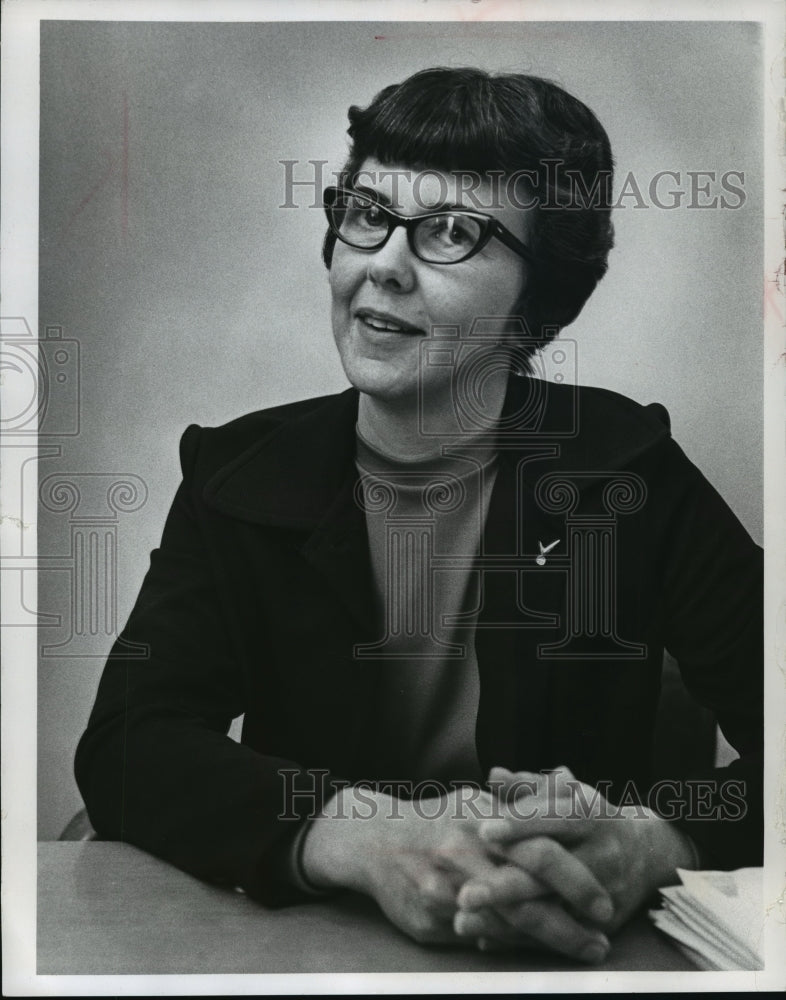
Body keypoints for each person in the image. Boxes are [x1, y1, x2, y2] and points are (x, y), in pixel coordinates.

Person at [74, 67, 762, 965]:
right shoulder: (238, 475)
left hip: (573, 948)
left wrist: (661, 839)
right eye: (367, 213)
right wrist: (364, 837)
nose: (383, 265)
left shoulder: (625, 469)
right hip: (314, 948)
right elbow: (130, 742)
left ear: (539, 306)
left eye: (451, 234)